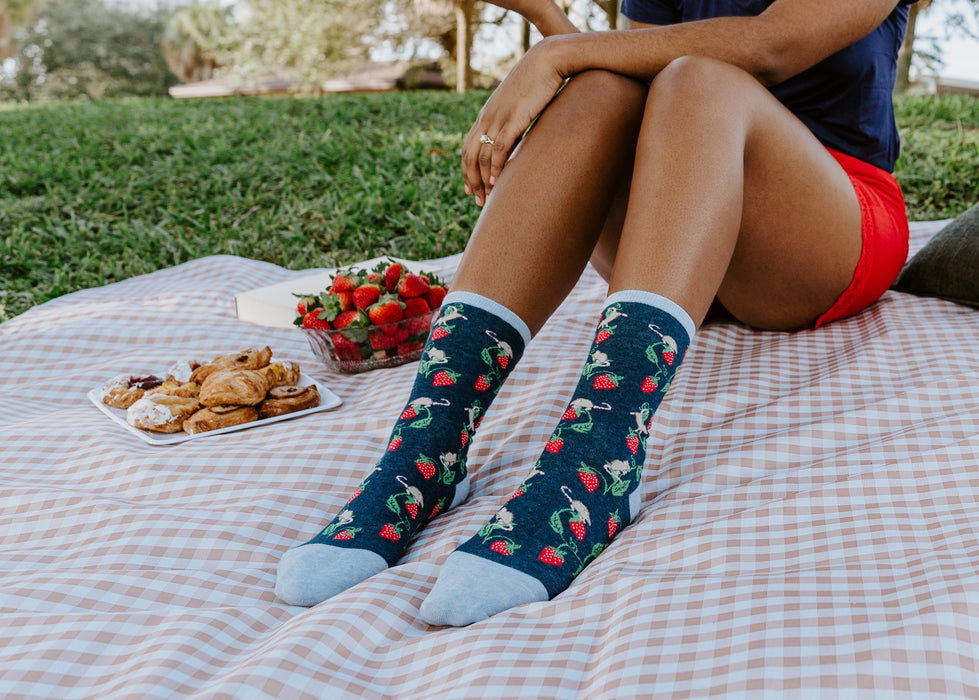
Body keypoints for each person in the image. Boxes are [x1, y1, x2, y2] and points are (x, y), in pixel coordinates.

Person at [275, 0, 914, 626]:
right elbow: (629, 70)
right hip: (684, 235)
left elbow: (772, 45)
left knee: (701, 77)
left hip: (822, 229)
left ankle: (599, 459)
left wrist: (555, 52)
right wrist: (546, 20)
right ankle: (428, 450)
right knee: (602, 85)